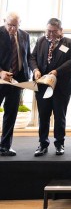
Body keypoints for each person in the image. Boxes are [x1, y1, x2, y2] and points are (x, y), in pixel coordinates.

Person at [30, 18, 71, 156]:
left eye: (53, 31)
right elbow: (32, 58)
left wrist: (57, 71)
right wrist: (35, 70)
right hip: (43, 85)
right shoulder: (40, 41)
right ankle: (43, 144)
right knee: (43, 116)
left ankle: (59, 144)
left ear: (60, 31)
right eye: (48, 31)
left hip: (61, 87)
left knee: (59, 116)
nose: (50, 34)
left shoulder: (69, 43)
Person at [0, 12, 31, 156]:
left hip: (17, 80)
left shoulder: (25, 35)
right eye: (9, 25)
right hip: (1, 78)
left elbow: (27, 57)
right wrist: (1, 72)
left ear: (20, 24)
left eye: (15, 26)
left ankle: (5, 146)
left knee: (11, 113)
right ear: (4, 21)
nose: (12, 29)